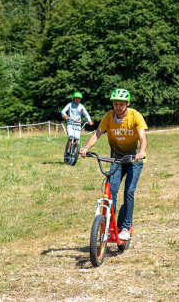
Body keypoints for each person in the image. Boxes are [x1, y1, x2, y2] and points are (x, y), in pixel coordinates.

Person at [80, 89, 147, 241]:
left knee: (128, 192)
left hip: (134, 160)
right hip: (116, 160)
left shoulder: (135, 116)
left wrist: (141, 152)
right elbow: (97, 134)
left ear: (127, 104)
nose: (118, 107)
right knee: (111, 190)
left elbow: (142, 138)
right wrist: (86, 147)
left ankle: (125, 226)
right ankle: (109, 223)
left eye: (121, 104)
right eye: (115, 104)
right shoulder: (109, 116)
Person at [61, 92, 94, 162]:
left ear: (80, 100)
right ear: (73, 98)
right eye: (76, 98)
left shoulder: (81, 106)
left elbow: (86, 114)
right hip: (70, 123)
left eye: (78, 99)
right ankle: (67, 152)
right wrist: (65, 116)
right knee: (70, 137)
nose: (77, 100)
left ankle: (74, 152)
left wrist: (89, 121)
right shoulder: (70, 105)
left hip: (78, 124)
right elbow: (63, 111)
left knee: (76, 139)